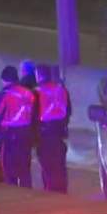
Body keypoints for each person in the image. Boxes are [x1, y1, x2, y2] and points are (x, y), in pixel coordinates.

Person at [0, 66, 37, 188]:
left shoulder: (2, 95)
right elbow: (34, 114)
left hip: (9, 136)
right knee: (25, 170)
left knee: (8, 172)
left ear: (4, 79)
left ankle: (12, 199)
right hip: (25, 135)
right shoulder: (29, 93)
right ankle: (27, 197)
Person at [35, 64, 71, 194]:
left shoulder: (37, 92)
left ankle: (50, 192)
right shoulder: (61, 90)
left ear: (38, 75)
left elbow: (33, 114)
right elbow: (68, 111)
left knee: (47, 167)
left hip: (44, 134)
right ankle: (62, 191)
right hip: (59, 133)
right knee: (60, 166)